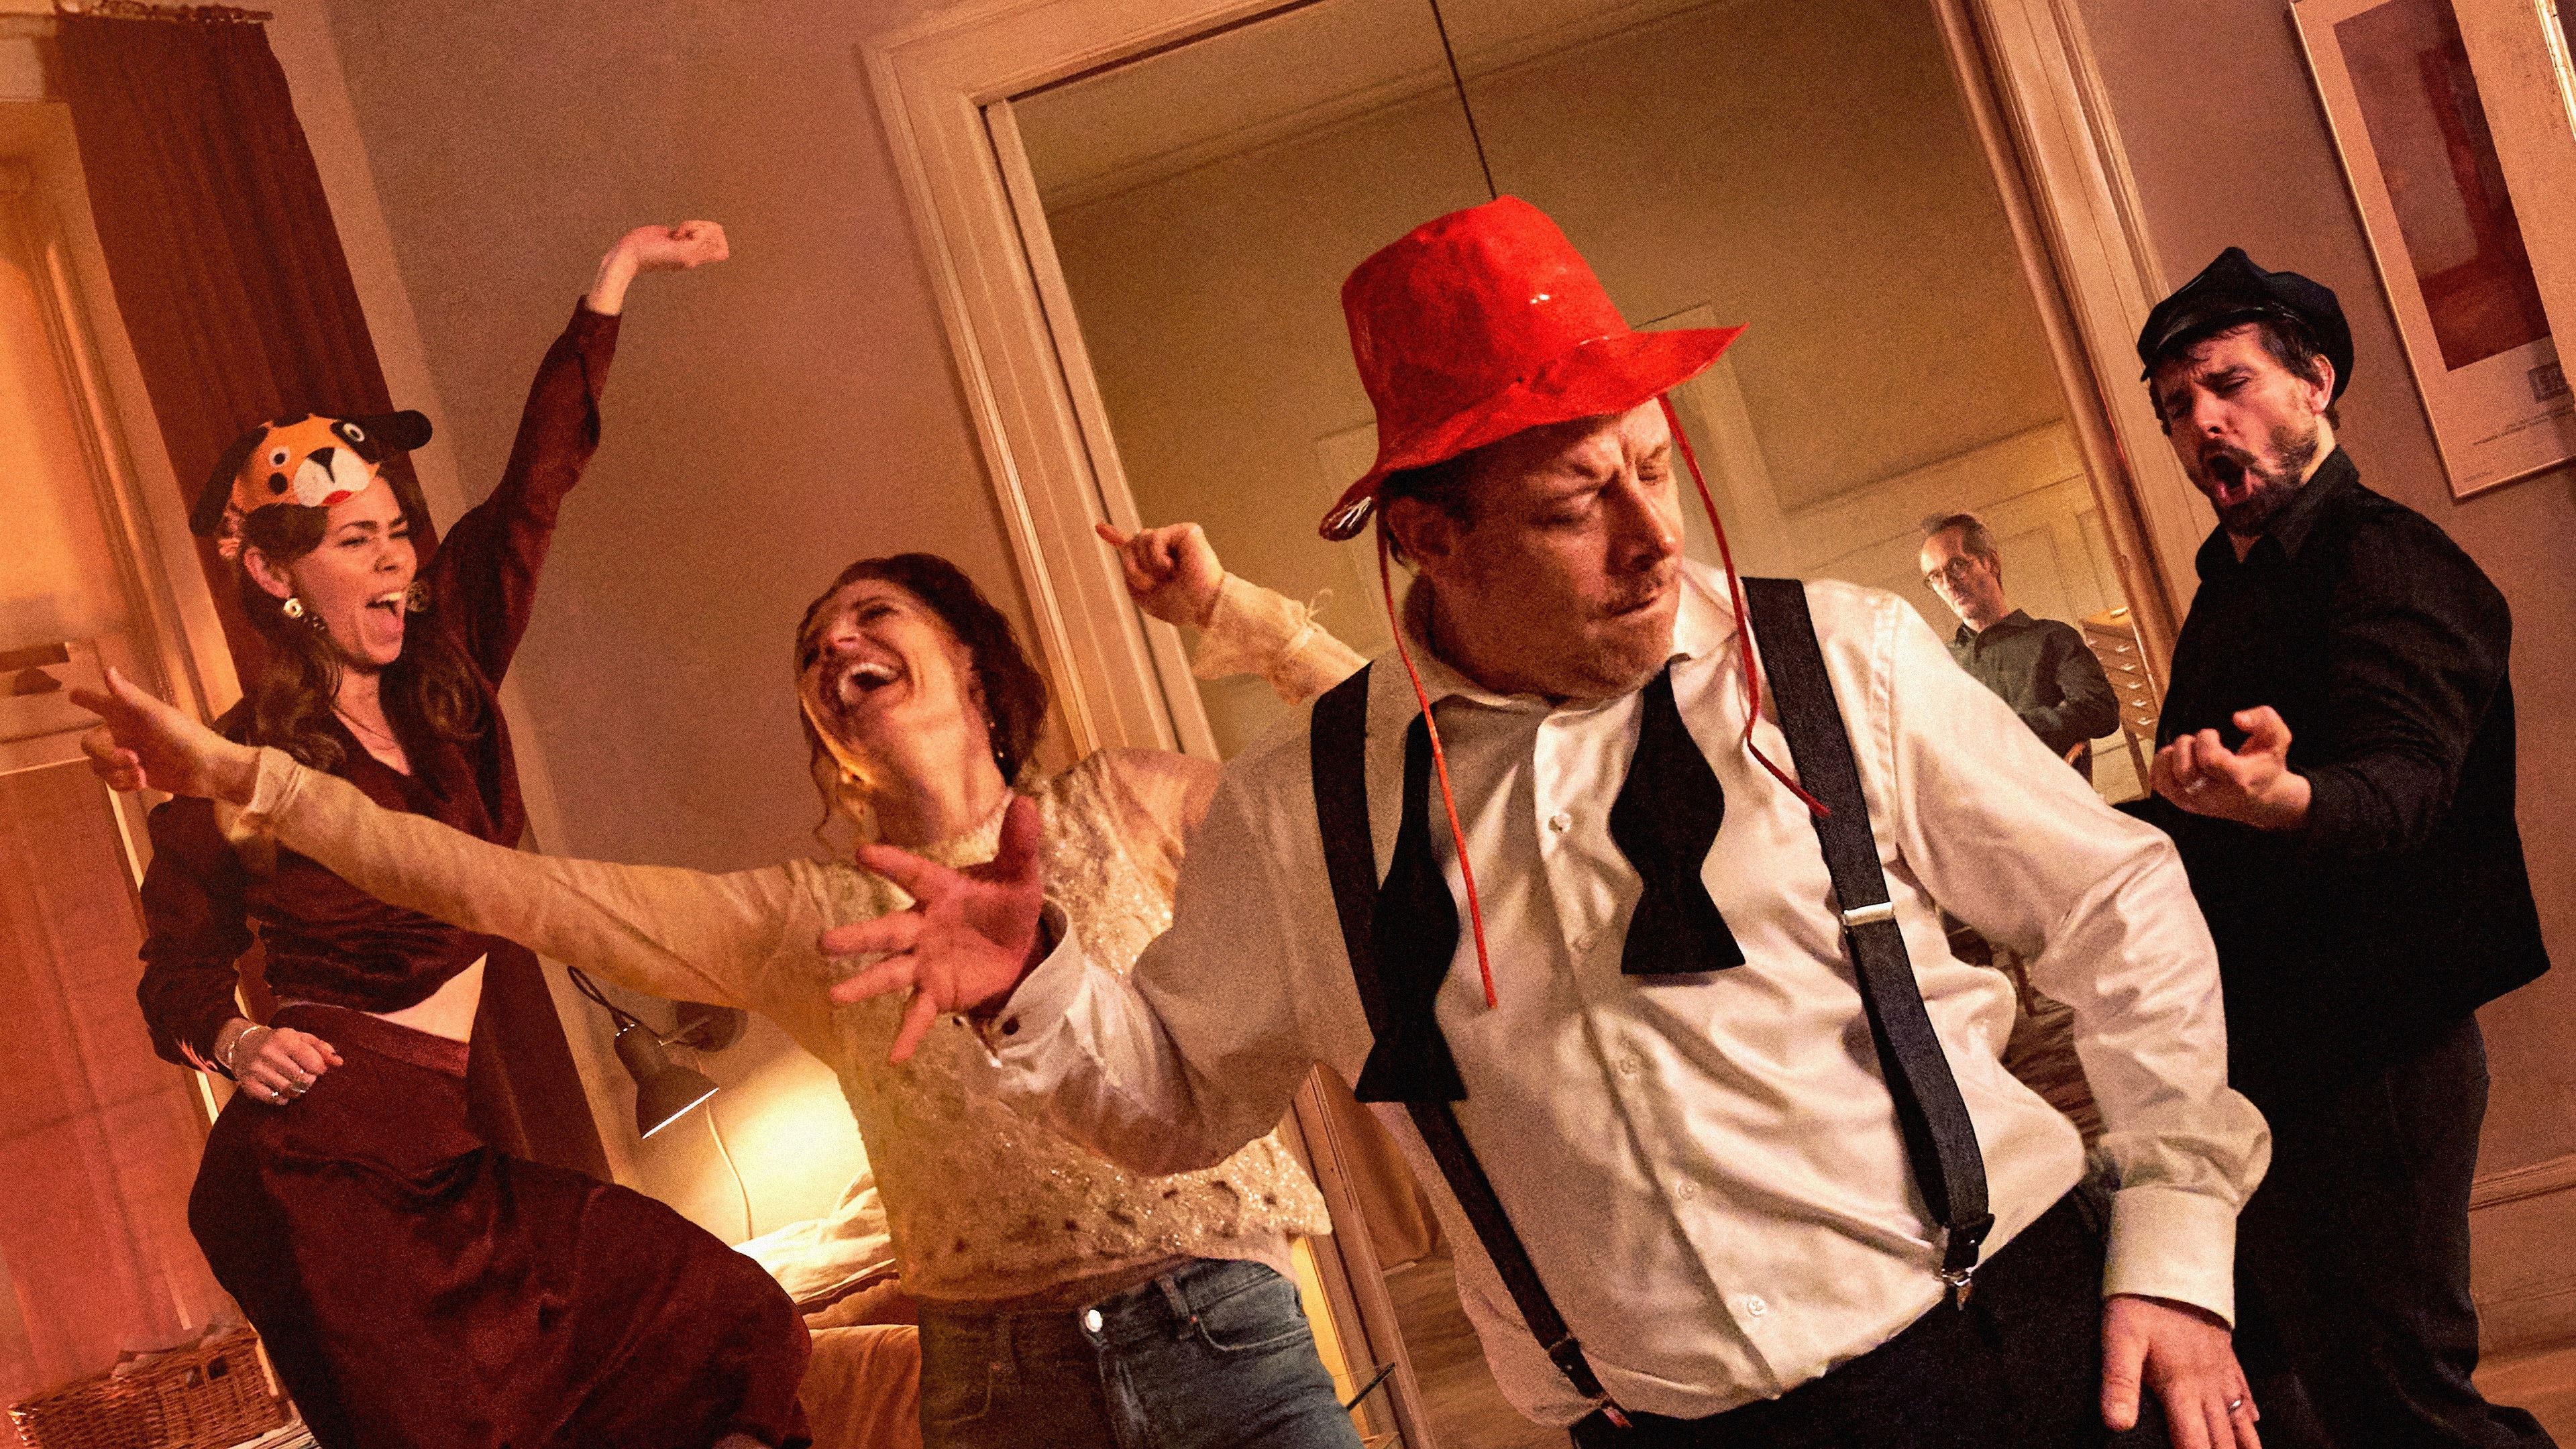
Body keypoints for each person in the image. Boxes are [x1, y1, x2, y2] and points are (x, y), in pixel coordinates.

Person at [824, 197, 2271, 1449]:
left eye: (1653, 467)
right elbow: (1182, 1098)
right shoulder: (1301, 808)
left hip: (2014, 1351)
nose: (1655, 538)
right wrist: (1035, 988)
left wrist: (2178, 1242)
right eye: (1580, 504)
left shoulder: (1838, 660)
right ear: (1428, 537)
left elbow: (2117, 902)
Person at [80, 524, 1374, 1449]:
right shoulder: (808, 921)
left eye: (875, 616)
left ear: (970, 662)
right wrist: (251, 778)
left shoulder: (1131, 806)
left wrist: (1242, 616)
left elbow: (1398, 784)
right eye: (816, 648)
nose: (837, 643)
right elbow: (501, 889)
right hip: (997, 1391)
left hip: (1221, 1337)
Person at [98, 222, 814, 1449]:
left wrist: (613, 283)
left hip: (446, 1158)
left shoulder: (451, 676)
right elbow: (174, 971)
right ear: (277, 577)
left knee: (729, 1317)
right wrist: (231, 1037)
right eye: (357, 541)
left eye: (399, 533)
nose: (398, 560)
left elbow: (531, 494)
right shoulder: (233, 764)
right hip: (318, 1174)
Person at [2135, 247, 2555, 1448]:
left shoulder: (2390, 559)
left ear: (2315, 384)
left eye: (2230, 385)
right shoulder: (2235, 587)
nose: (2204, 424)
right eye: (2177, 408)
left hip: (2379, 1051)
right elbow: (2212, 810)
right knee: (2299, 1384)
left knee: (2401, 1397)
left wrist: (2291, 799)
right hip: (2275, 1049)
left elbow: (2408, 783)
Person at [1919, 512, 2118, 777]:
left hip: (2047, 790)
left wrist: (2006, 731)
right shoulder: (1941, 662)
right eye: (1935, 576)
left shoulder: (2053, 638)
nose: (1948, 585)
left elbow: (2101, 711)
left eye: (1956, 565)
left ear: (1991, 563)